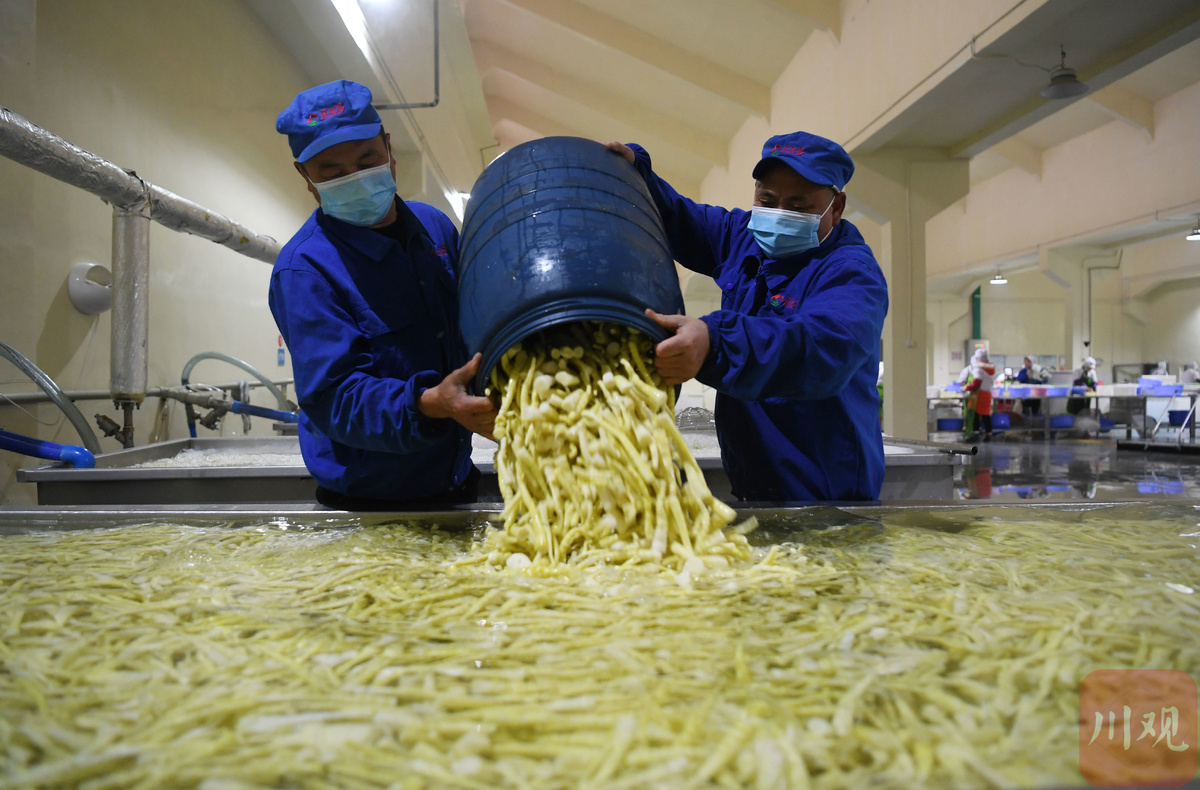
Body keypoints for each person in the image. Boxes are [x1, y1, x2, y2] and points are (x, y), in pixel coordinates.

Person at [605, 132, 889, 502]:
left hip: (825, 492)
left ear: (836, 207)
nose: (778, 214)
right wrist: (634, 171)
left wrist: (715, 342)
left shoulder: (851, 274)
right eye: (767, 200)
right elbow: (677, 217)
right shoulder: (744, 238)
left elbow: (820, 348)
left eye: (798, 206)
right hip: (754, 483)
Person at [269, 80, 497, 509]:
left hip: (455, 478)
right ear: (305, 176)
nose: (355, 178)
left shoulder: (433, 227)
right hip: (371, 502)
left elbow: (475, 323)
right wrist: (429, 403)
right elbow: (335, 398)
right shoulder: (305, 271)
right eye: (333, 172)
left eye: (367, 159)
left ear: (389, 149)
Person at [963, 348, 997, 442]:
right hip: (988, 393)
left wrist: (967, 387)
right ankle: (989, 434)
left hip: (980, 394)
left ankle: (976, 434)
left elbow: (976, 383)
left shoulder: (979, 368)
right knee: (986, 415)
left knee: (976, 415)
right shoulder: (991, 368)